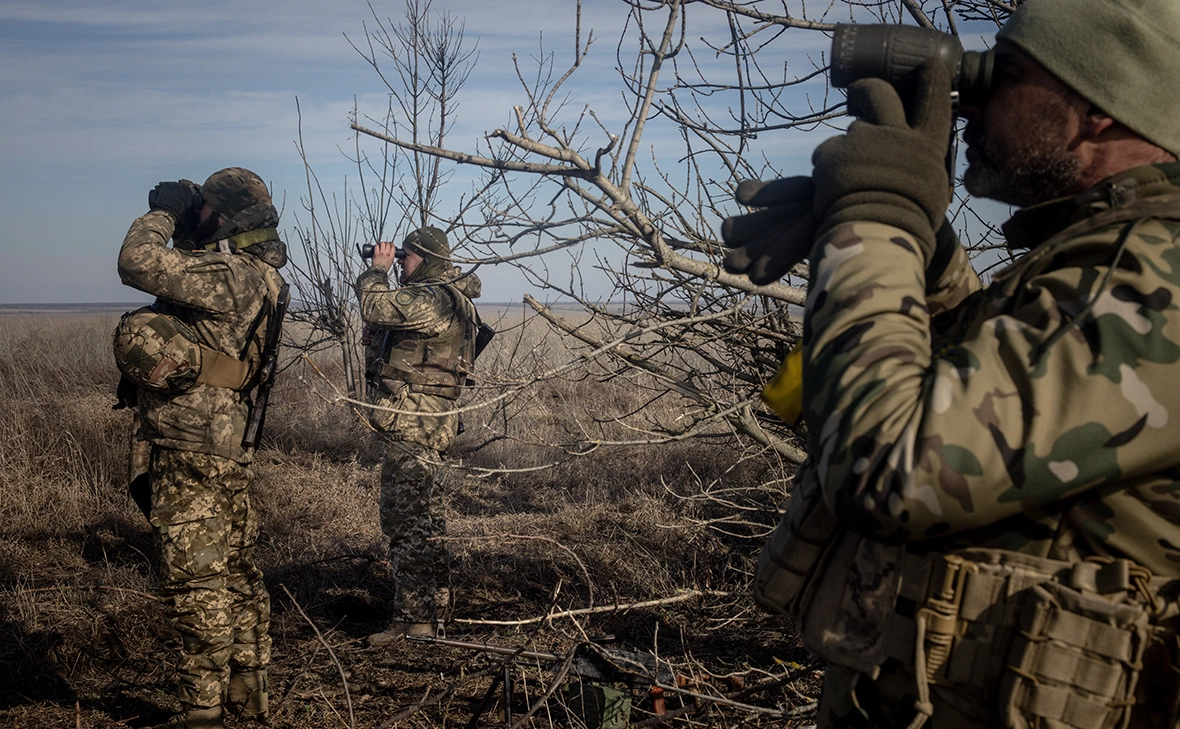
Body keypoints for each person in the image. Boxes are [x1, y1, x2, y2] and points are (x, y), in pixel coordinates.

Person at [727, 1, 1180, 727]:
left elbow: (895, 463)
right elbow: (988, 401)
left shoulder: (1159, 275)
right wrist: (923, 250)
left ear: (1098, 108)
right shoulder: (1107, 259)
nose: (970, 98)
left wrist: (875, 213)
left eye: (1007, 74)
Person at [114, 168, 288, 729]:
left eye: (207, 209)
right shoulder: (256, 273)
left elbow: (136, 262)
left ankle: (201, 713)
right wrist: (195, 230)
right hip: (225, 440)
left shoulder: (230, 273)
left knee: (197, 582)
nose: (199, 216)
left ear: (229, 217)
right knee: (236, 571)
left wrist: (165, 212)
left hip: (192, 441)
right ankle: (247, 696)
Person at [357, 226, 482, 645]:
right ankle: (437, 608)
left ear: (424, 258)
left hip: (416, 422)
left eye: (404, 258)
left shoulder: (435, 296)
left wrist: (377, 270)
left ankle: (413, 621)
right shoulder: (452, 299)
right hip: (429, 421)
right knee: (428, 517)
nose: (399, 265)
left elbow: (374, 306)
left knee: (405, 520)